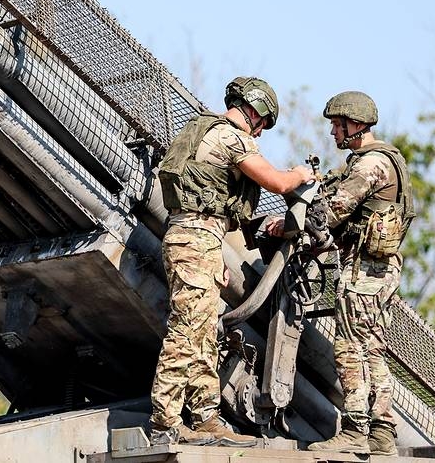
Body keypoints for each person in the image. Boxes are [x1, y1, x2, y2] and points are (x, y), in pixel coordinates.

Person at [148, 76, 316, 447]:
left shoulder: (202, 131)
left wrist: (214, 257)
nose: (261, 132)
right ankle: (164, 423)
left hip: (200, 240)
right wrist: (300, 175)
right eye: (264, 124)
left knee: (205, 331)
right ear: (254, 111)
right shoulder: (229, 136)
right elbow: (275, 181)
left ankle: (205, 416)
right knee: (187, 331)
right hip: (196, 238)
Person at [307, 91, 415, 456]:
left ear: (356, 126)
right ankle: (382, 433)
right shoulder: (386, 159)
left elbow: (332, 212)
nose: (334, 133)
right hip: (381, 268)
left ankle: (354, 430)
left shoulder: (370, 164)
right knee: (372, 348)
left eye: (338, 125)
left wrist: (294, 220)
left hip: (364, 269)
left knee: (350, 346)